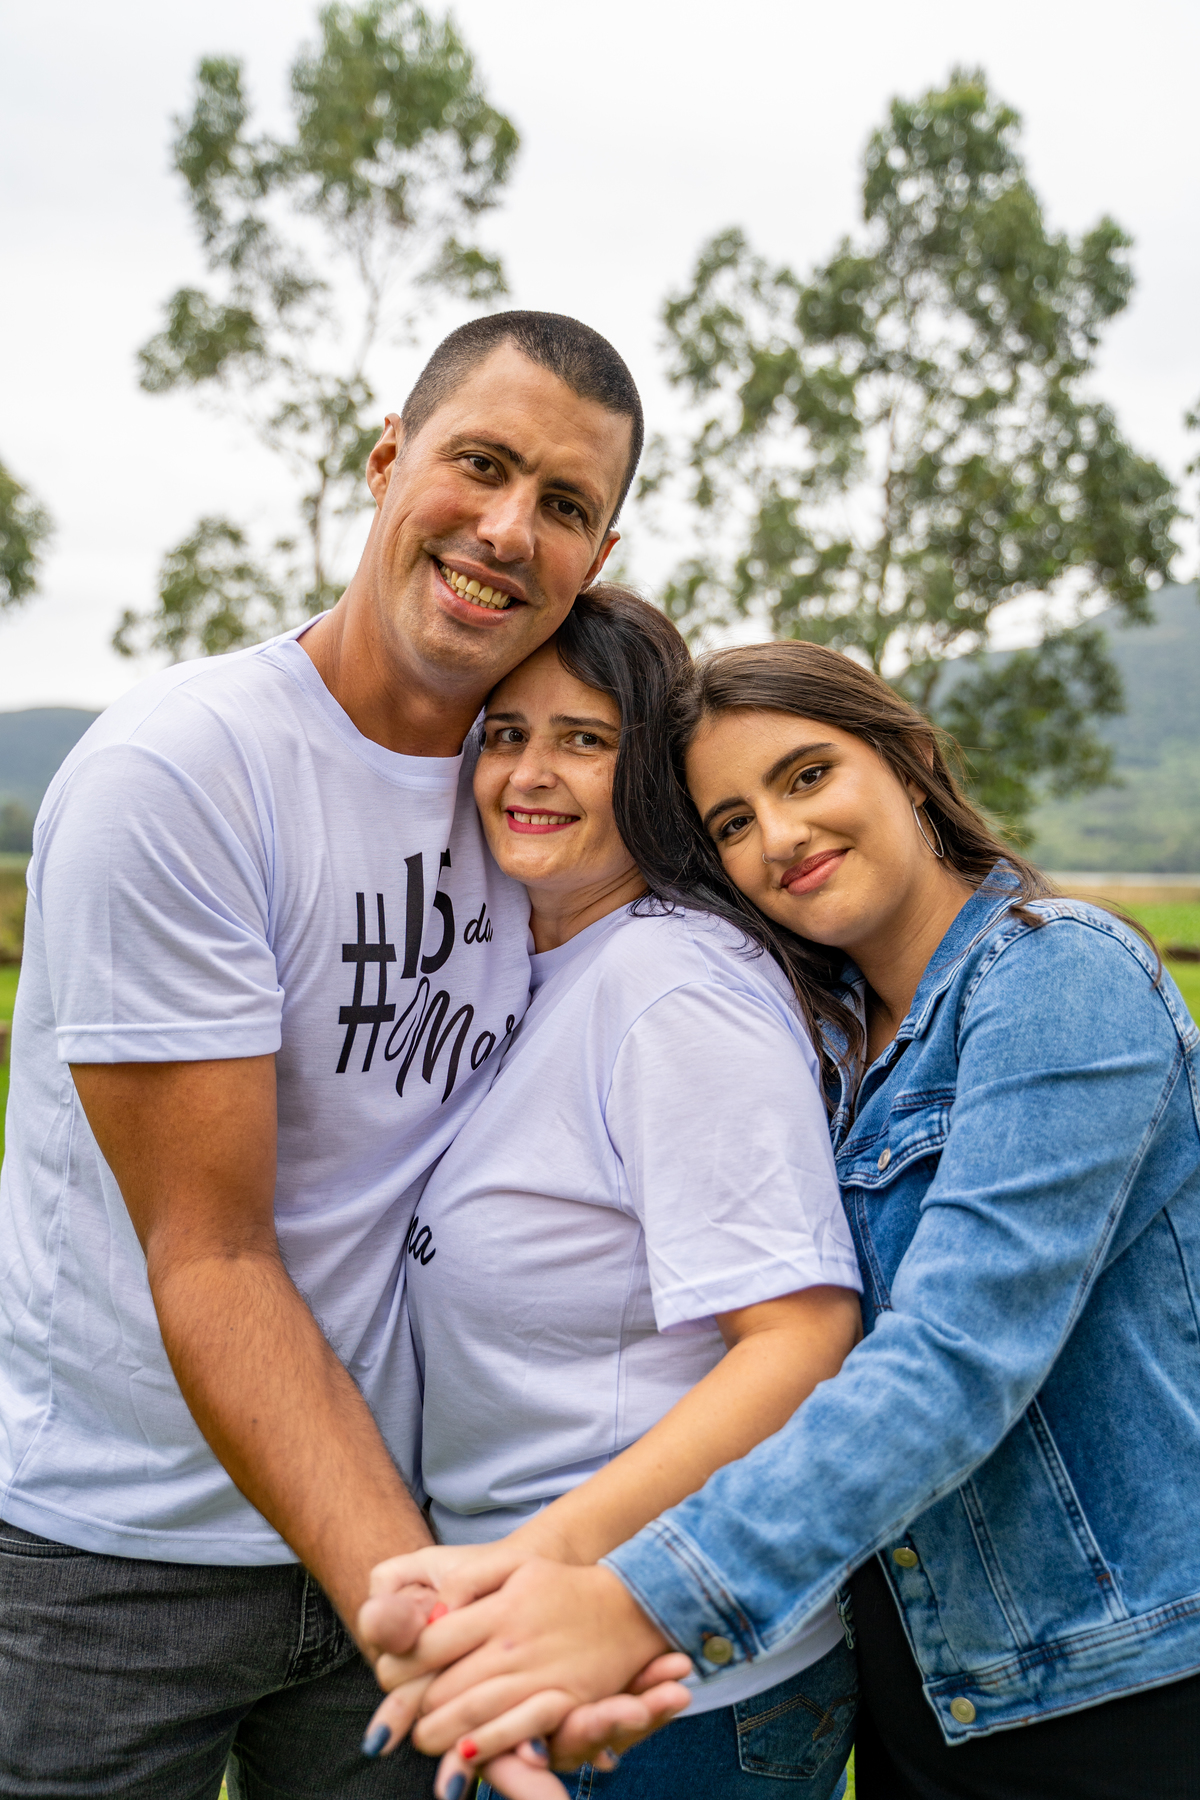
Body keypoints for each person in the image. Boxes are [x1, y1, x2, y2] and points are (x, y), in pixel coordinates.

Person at [359, 639, 1200, 1800]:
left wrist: (630, 1598)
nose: (782, 836)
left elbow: (955, 1360)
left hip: (1114, 1680)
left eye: (807, 776)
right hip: (925, 1678)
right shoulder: (832, 1026)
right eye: (733, 822)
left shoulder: (1059, 981)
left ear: (910, 764)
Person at [0, 311, 641, 1800]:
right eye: (480, 464)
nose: (507, 530)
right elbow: (212, 1254)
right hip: (116, 1558)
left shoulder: (543, 798)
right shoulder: (184, 775)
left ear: (598, 559)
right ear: (384, 460)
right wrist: (418, 1614)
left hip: (417, 1514)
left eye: (563, 505)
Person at [374, 589, 863, 1800]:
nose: (531, 773)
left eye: (583, 740)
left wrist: (551, 1566)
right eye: (506, 734)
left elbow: (799, 1336)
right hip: (535, 1648)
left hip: (668, 1692)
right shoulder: (542, 965)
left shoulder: (671, 985)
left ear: (651, 769)